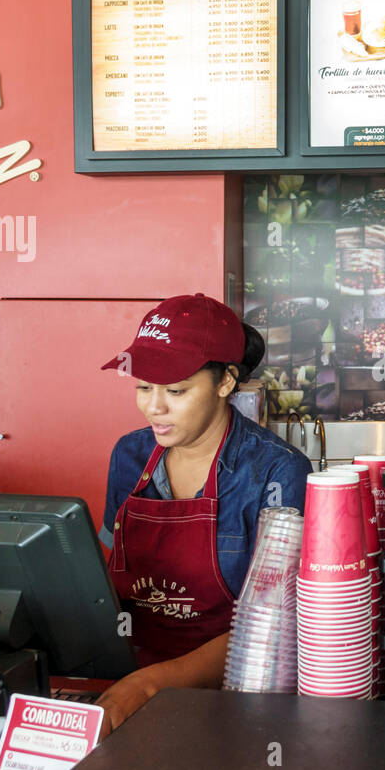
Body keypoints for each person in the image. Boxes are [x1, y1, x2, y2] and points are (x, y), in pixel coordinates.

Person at [95, 294, 311, 734]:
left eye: (175, 390)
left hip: (237, 701)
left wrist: (152, 686)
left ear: (226, 382)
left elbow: (274, 630)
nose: (154, 406)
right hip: (130, 681)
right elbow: (104, 582)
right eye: (143, 387)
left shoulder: (275, 470)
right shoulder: (130, 455)